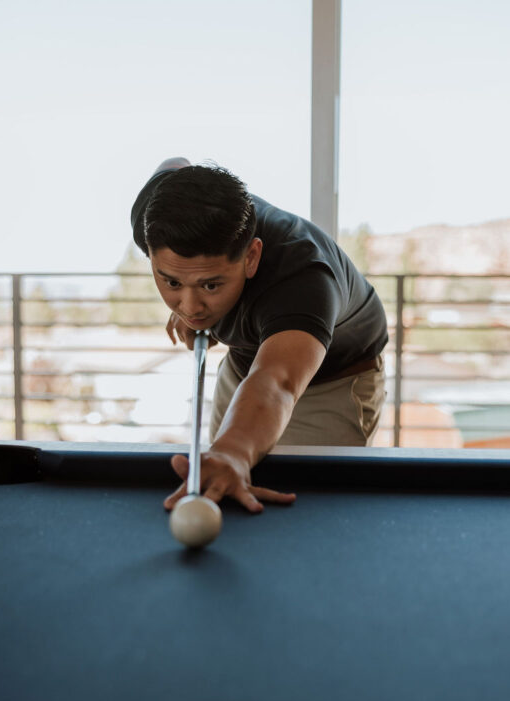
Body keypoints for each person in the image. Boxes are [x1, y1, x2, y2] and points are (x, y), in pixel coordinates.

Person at [130, 158, 389, 514]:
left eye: (210, 284)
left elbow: (278, 381)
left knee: (316, 514)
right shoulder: (156, 215)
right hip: (246, 361)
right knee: (224, 483)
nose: (190, 307)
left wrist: (234, 451)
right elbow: (176, 165)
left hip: (332, 384)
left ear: (251, 257)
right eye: (172, 282)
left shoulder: (302, 278)